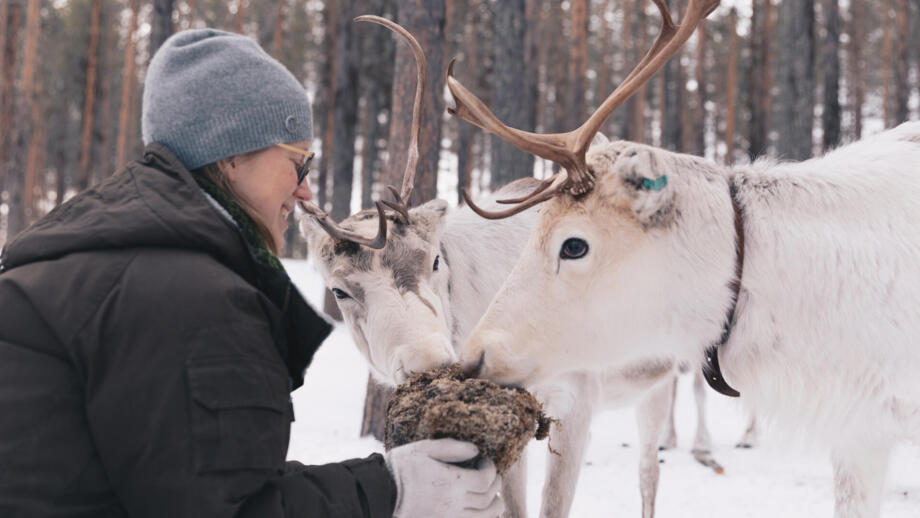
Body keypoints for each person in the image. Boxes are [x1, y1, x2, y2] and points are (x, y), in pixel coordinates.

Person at [0, 29, 503, 518]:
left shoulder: (100, 260)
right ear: (231, 156)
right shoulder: (188, 295)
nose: (305, 191)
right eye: (297, 162)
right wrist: (391, 492)